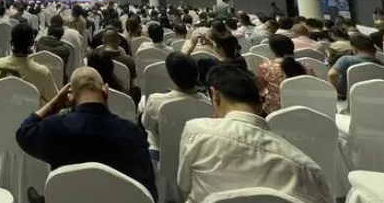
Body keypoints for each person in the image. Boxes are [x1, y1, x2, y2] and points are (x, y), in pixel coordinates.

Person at [178, 65, 332, 203]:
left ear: (215, 96)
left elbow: (184, 185)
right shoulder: (309, 170)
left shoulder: (195, 132)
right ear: (260, 106)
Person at [16, 67, 156, 201]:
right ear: (106, 91)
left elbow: (24, 132)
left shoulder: (55, 128)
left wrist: (54, 104)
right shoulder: (132, 133)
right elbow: (149, 194)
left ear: (71, 98)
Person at [142, 52, 209, 157]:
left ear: (171, 77)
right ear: (197, 75)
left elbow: (147, 125)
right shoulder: (209, 105)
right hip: (196, 157)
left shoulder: (155, 101)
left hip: (161, 157)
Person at [0, 23, 58, 104]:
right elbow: (54, 100)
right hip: (33, 112)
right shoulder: (42, 72)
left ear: (11, 42)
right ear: (32, 42)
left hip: (2, 111)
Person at [256, 35, 313, 114]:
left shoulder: (265, 68)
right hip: (304, 109)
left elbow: (260, 89)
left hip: (276, 112)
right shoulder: (306, 67)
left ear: (272, 50)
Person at [328, 34, 383, 99]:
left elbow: (331, 74)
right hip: (373, 98)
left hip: (347, 98)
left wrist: (337, 91)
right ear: (374, 50)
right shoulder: (381, 65)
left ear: (354, 49)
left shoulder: (346, 60)